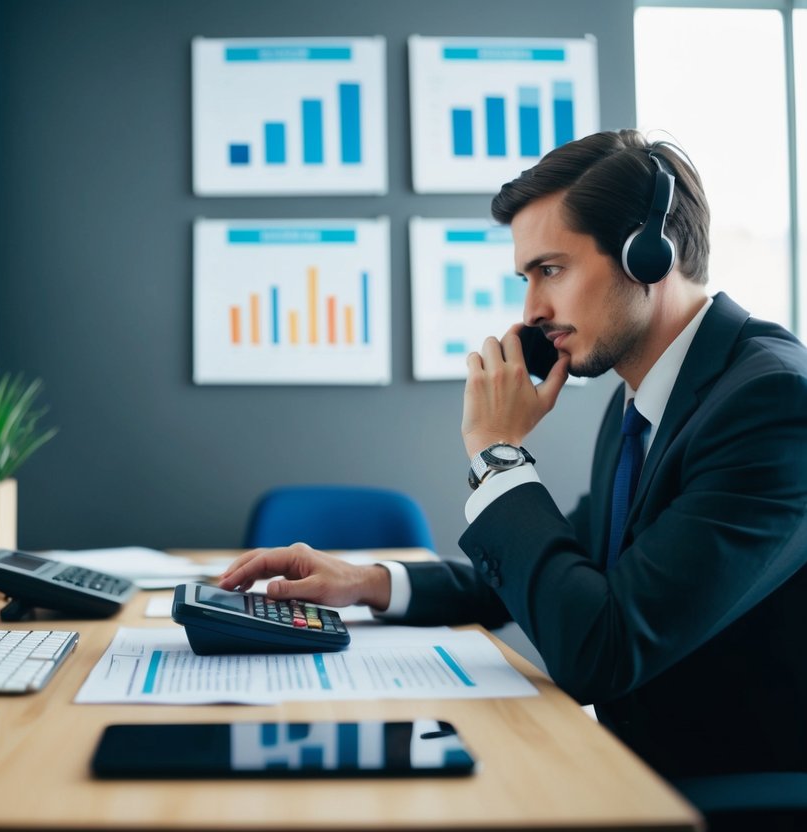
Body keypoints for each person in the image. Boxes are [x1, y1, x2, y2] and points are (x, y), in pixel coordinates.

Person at [220, 129, 807, 781]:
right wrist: (370, 583)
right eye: (526, 278)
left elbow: (600, 652)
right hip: (629, 770)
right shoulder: (638, 402)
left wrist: (496, 456)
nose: (530, 312)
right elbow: (578, 569)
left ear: (648, 255)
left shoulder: (774, 405)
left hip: (725, 792)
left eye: (549, 270)